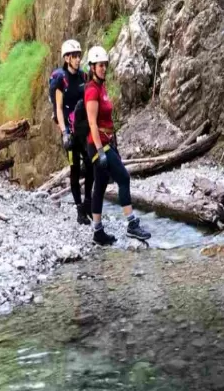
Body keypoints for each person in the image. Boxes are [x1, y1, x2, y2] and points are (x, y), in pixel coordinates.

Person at [84, 45, 152, 245]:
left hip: (107, 142)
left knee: (101, 186)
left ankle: (97, 232)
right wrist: (100, 151)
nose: (104, 68)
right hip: (98, 145)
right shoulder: (91, 90)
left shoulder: (101, 87)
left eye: (105, 65)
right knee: (124, 177)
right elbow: (92, 123)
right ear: (92, 67)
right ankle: (131, 224)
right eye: (100, 65)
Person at [51, 39, 94, 225]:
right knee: (74, 168)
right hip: (69, 130)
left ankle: (88, 202)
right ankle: (79, 209)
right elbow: (59, 108)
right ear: (67, 58)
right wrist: (64, 133)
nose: (78, 59)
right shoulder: (61, 79)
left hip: (83, 129)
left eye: (79, 55)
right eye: (74, 56)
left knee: (92, 165)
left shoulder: (84, 77)